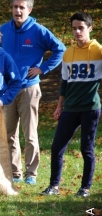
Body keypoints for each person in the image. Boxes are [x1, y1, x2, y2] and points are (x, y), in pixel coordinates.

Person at [0, 0, 66, 185]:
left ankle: (31, 174)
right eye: (15, 7)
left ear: (29, 9)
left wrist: (43, 68)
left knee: (29, 133)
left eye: (22, 7)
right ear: (11, 8)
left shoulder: (38, 31)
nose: (18, 11)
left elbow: (60, 49)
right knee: (8, 134)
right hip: (7, 90)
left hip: (29, 87)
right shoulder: (3, 30)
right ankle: (15, 172)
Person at [41, 12, 102, 197]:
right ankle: (54, 186)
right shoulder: (68, 53)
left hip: (90, 108)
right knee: (57, 147)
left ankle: (85, 188)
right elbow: (65, 83)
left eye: (81, 28)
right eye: (74, 28)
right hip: (70, 108)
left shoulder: (99, 51)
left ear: (90, 28)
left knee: (87, 149)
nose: (77, 31)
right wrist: (59, 106)